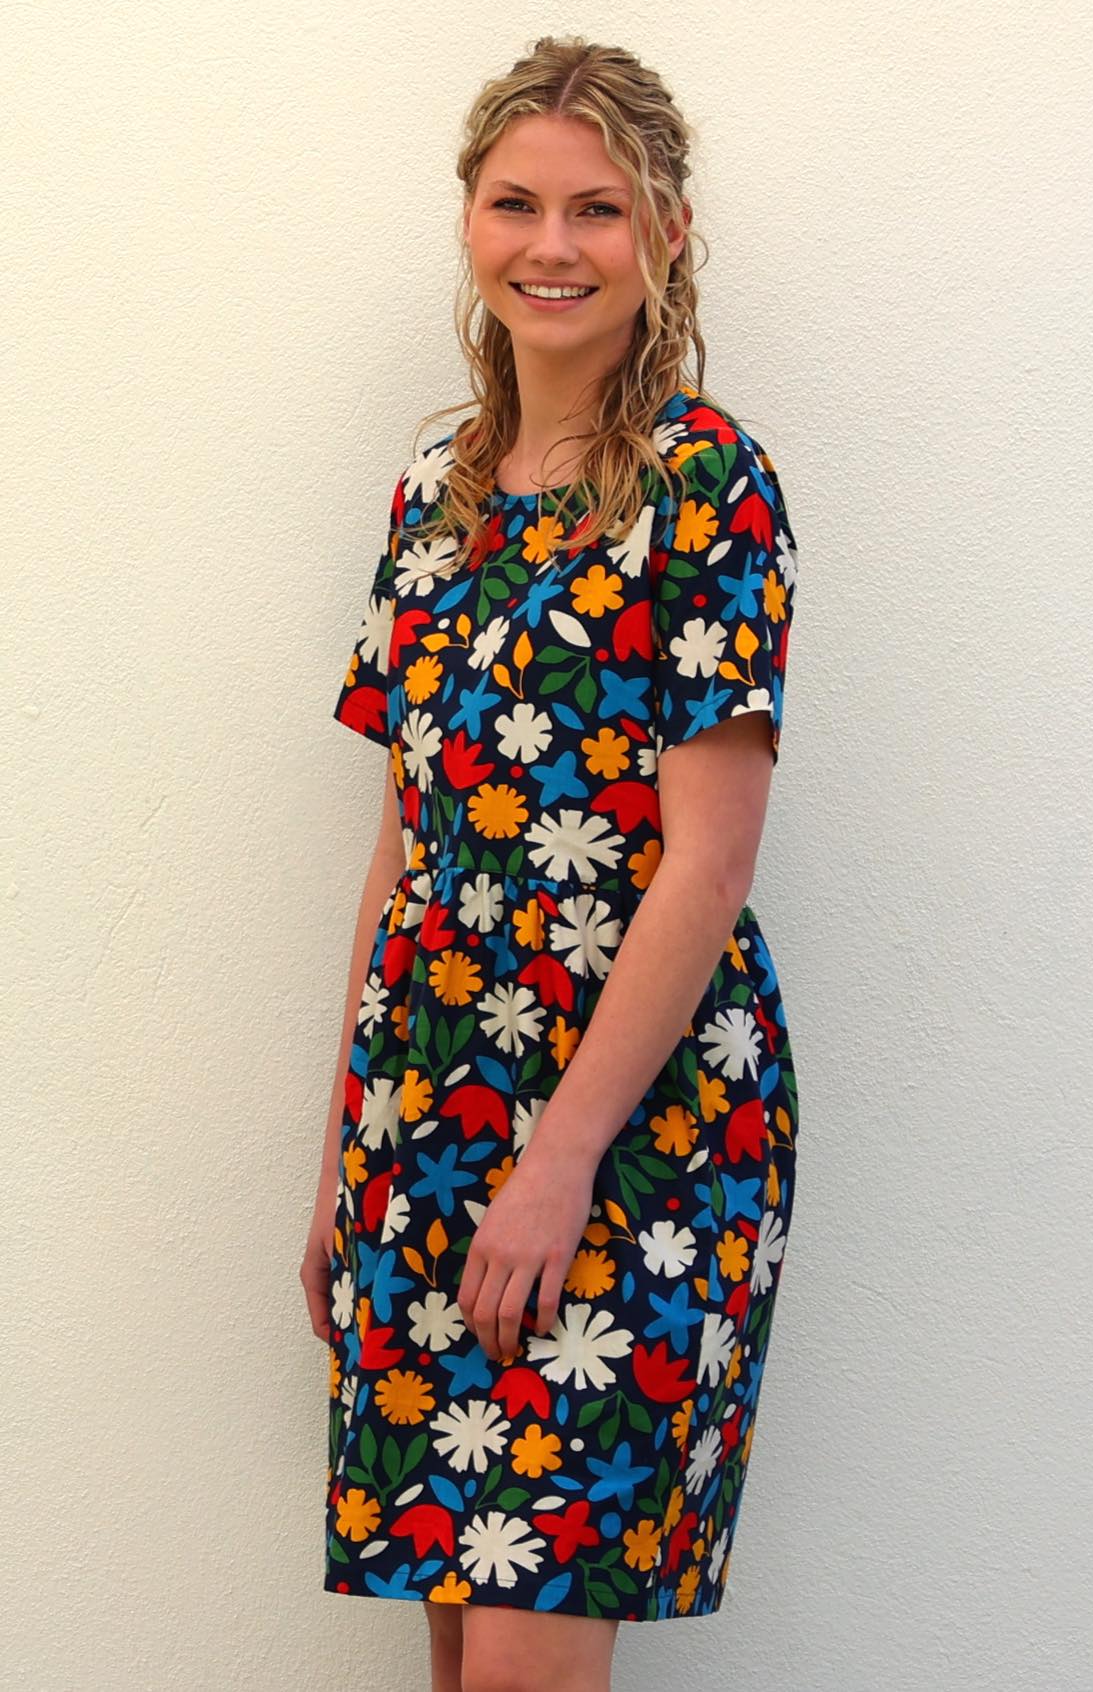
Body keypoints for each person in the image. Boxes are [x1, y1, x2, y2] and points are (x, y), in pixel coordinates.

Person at [300, 33, 802, 1692]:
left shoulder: (707, 490)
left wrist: (563, 1154)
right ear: (468, 223)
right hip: (427, 1116)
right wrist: (338, 1160)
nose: (553, 244)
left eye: (599, 207)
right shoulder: (430, 502)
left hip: (632, 1128)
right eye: (516, 201)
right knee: (460, 1655)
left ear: (663, 232)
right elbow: (405, 849)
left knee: (528, 1662)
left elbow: (707, 864)